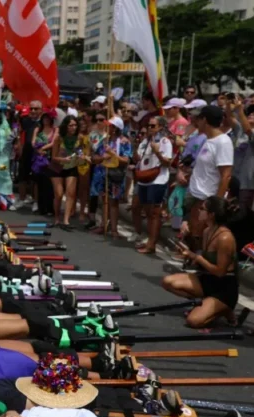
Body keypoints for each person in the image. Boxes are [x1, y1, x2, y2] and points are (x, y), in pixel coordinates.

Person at [161, 196, 239, 327]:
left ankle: (225, 310)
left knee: (193, 321)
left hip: (223, 287)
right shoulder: (207, 231)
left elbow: (220, 272)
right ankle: (205, 303)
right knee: (167, 282)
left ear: (211, 215)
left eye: (202, 209)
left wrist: (196, 257)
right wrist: (188, 254)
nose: (199, 211)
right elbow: (203, 260)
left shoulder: (225, 238)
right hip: (207, 279)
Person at [183, 105, 234, 243]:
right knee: (193, 231)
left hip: (207, 198)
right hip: (196, 195)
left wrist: (215, 204)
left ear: (204, 120)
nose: (195, 122)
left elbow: (226, 175)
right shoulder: (208, 140)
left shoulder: (223, 142)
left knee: (201, 235)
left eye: (197, 119)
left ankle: (199, 261)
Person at [134, 115, 173, 254]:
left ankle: (151, 244)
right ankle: (149, 241)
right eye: (149, 126)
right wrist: (135, 144)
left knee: (154, 213)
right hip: (144, 179)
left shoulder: (165, 142)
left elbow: (168, 163)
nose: (150, 128)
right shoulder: (145, 141)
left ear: (160, 127)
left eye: (153, 126)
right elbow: (137, 158)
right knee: (147, 212)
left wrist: (157, 152)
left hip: (158, 180)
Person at [90, 117, 132, 238]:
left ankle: (114, 229)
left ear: (116, 128)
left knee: (114, 202)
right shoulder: (105, 141)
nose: (108, 128)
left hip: (116, 175)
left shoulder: (124, 142)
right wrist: (103, 157)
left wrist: (113, 154)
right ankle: (103, 225)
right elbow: (95, 157)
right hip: (103, 174)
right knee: (104, 200)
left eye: (111, 126)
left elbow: (125, 160)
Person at [229, 98, 254, 214]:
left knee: (242, 213)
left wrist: (240, 111)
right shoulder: (240, 131)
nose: (251, 115)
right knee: (229, 211)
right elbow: (230, 119)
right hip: (233, 180)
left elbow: (248, 130)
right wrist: (228, 105)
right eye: (249, 113)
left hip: (247, 183)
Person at [51, 116, 84, 228]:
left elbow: (79, 151)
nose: (73, 127)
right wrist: (63, 159)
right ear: (65, 126)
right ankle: (56, 218)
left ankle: (66, 220)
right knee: (59, 194)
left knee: (71, 193)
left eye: (75, 125)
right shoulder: (59, 138)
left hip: (71, 167)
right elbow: (53, 157)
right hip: (57, 168)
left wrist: (81, 157)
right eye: (71, 125)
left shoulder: (79, 138)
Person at [15, 101, 44, 210]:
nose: (33, 111)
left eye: (36, 109)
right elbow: (18, 132)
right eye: (31, 108)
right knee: (22, 175)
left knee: (36, 178)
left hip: (38, 153)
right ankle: (22, 199)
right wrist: (18, 145)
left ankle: (35, 201)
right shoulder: (24, 120)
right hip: (25, 151)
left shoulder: (43, 122)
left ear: (41, 110)